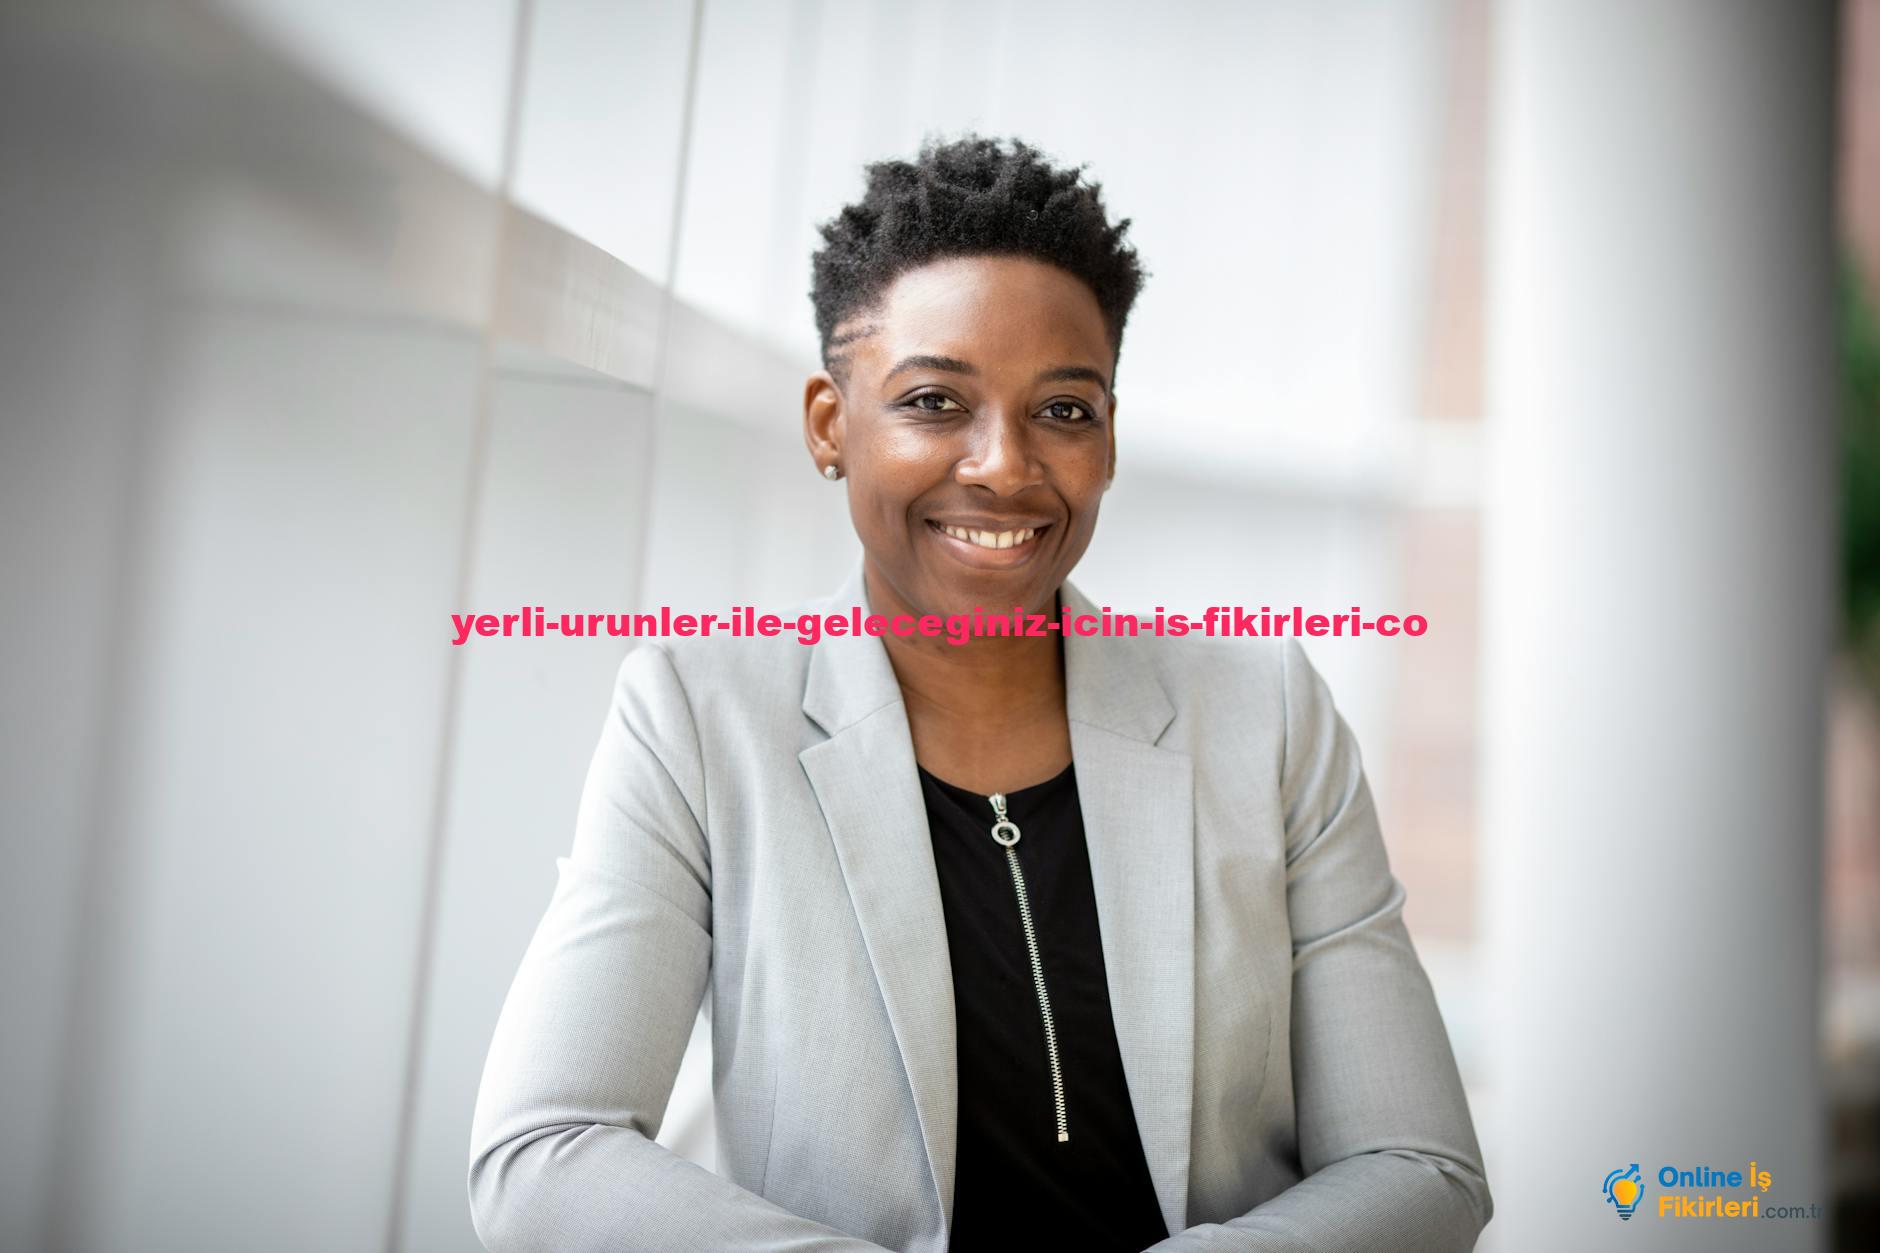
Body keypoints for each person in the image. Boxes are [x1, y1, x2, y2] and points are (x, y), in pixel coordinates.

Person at [468, 133, 1492, 1252]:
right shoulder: (696, 721)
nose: (1004, 464)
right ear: (829, 423)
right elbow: (545, 1153)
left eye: (1062, 409)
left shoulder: (1267, 717)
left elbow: (1418, 1163)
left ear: (1106, 438)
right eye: (933, 401)